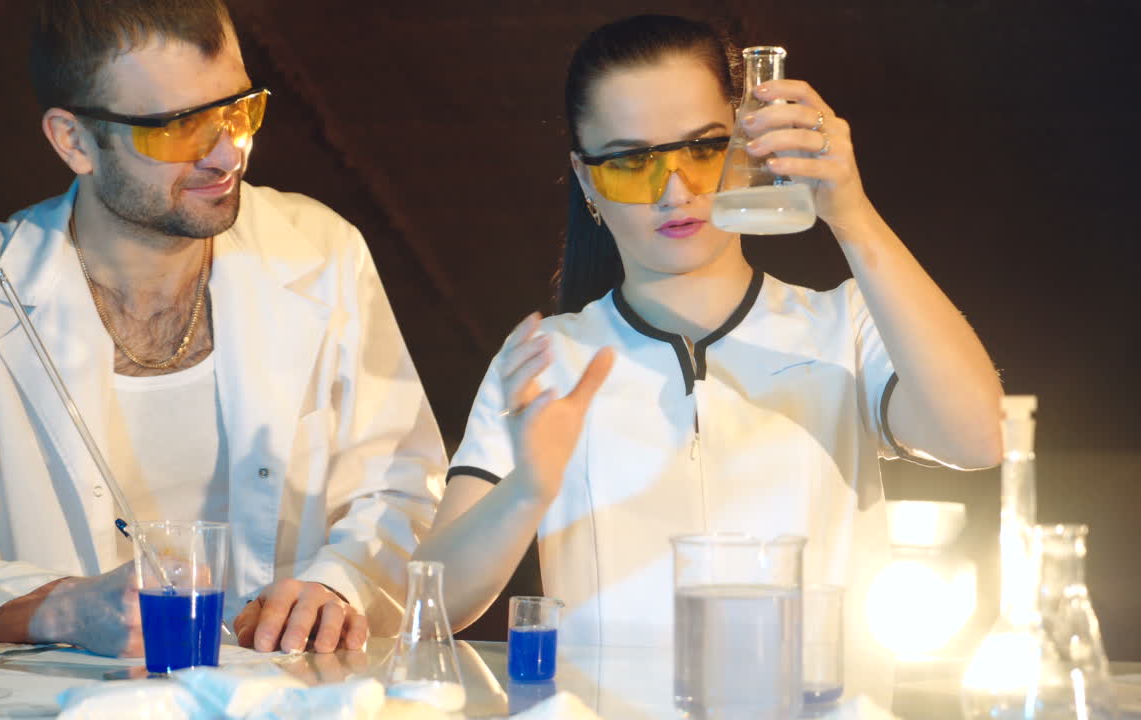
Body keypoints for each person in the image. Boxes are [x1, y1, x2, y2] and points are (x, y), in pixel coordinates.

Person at [413, 13, 1002, 702]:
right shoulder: (552, 360)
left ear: (752, 134)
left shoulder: (843, 324)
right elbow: (432, 606)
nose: (674, 191)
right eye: (632, 162)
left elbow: (978, 438)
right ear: (586, 178)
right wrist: (525, 492)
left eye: (703, 148)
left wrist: (852, 214)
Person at [0, 0, 446, 657]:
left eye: (238, 110)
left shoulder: (323, 251)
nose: (227, 153)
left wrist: (341, 585)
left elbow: (405, 492)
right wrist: (60, 609)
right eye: (177, 129)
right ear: (73, 140)